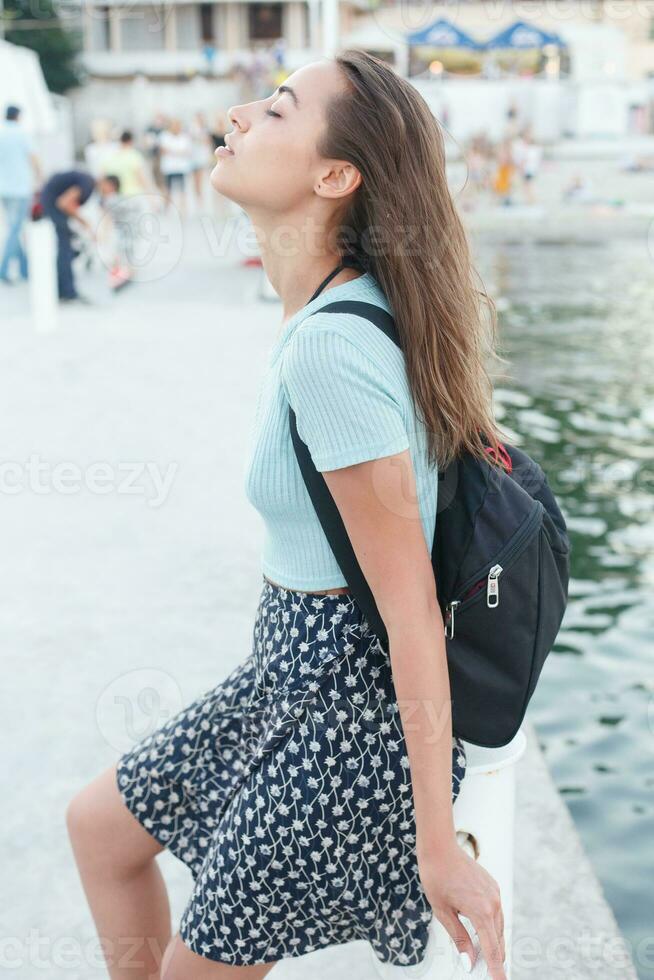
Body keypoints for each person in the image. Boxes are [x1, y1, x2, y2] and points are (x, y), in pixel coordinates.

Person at [65, 52, 509, 980]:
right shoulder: (331, 312)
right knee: (102, 830)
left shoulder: (333, 351)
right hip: (288, 678)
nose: (235, 114)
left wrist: (439, 845)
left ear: (334, 176)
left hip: (344, 722)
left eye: (275, 110)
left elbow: (411, 613)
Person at [40, 168, 115, 302]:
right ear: (107, 183)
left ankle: (63, 288)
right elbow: (63, 203)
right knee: (66, 247)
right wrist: (84, 223)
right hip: (52, 203)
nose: (109, 194)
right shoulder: (87, 183)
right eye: (111, 190)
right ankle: (67, 292)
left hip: (53, 202)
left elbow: (102, 211)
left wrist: (90, 229)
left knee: (69, 246)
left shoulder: (90, 185)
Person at [0, 105, 42, 284]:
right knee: (16, 228)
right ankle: (3, 269)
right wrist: (41, 178)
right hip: (20, 188)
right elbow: (33, 158)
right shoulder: (22, 133)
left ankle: (25, 269)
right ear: (18, 116)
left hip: (4, 188)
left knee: (14, 228)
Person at [159, 118, 192, 216]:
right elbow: (163, 150)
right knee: (168, 190)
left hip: (181, 167)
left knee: (182, 190)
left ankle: (183, 210)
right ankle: (166, 209)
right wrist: (177, 152)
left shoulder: (184, 137)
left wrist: (173, 151)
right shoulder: (164, 136)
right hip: (169, 168)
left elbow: (187, 151)